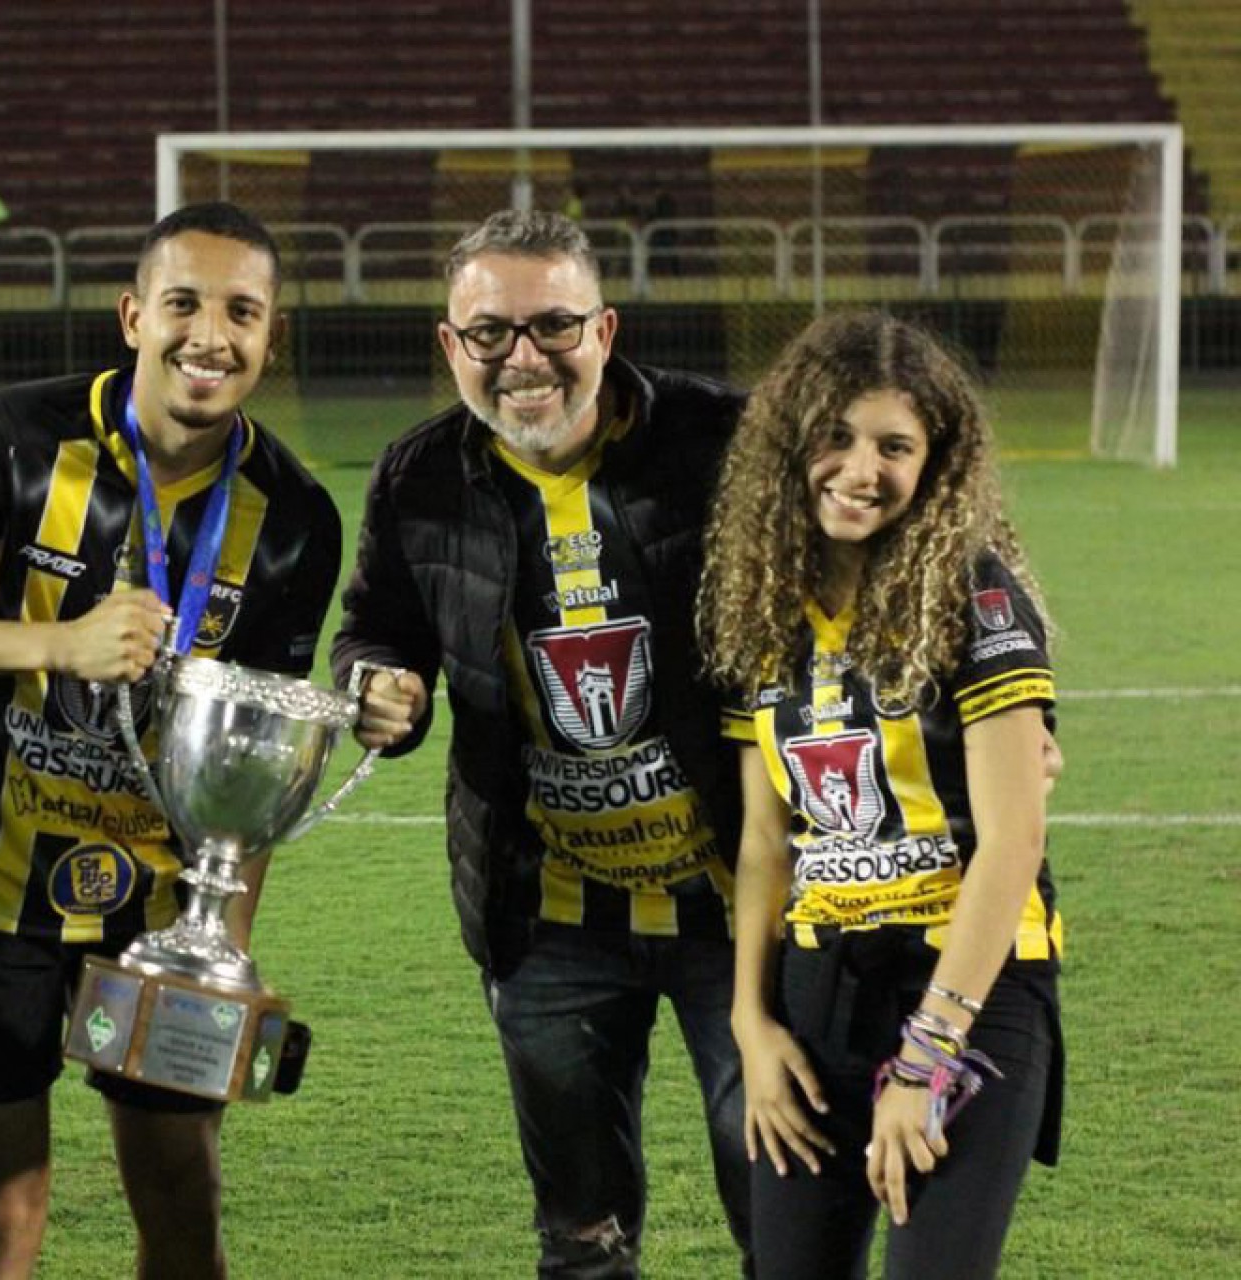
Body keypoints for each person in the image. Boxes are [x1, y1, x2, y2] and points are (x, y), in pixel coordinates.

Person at [0, 201, 341, 1280]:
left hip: (160, 910)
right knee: (2, 1215)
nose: (209, 334)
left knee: (183, 1202)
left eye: (241, 311)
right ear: (133, 316)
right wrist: (56, 641)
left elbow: (255, 760)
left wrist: (226, 948)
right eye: (183, 302)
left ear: (270, 338)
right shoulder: (13, 438)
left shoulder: (295, 515)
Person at [332, 208, 751, 1278]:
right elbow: (378, 622)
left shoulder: (730, 442)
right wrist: (377, 681)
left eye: (553, 326)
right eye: (490, 333)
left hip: (742, 903)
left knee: (789, 1202)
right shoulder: (416, 478)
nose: (523, 358)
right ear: (450, 346)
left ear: (605, 331)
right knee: (581, 1232)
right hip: (549, 913)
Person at [698, 310, 1063, 1279]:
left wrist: (926, 1059)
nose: (862, 469)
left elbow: (1014, 839)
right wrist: (753, 1023)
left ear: (936, 464)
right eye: (837, 436)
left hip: (969, 993)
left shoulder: (975, 595)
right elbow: (764, 842)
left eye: (895, 446)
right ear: (791, 444)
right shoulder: (760, 599)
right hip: (817, 999)